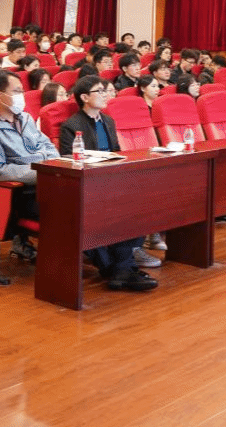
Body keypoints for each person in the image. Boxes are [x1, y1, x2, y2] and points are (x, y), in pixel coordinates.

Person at [57, 75, 160, 289]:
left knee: (142, 198)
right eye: (100, 91)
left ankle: (123, 265)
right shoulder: (71, 125)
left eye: (106, 91)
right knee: (116, 209)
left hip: (111, 179)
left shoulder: (108, 121)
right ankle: (122, 268)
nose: (105, 95)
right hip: (88, 183)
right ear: (84, 97)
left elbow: (117, 152)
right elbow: (68, 160)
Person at [0, 71, 52, 262]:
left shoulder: (25, 118)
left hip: (46, 182)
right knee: (74, 210)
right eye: (17, 91)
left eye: (22, 91)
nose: (22, 96)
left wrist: (51, 167)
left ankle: (116, 261)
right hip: (22, 194)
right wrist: (41, 170)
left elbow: (48, 146)